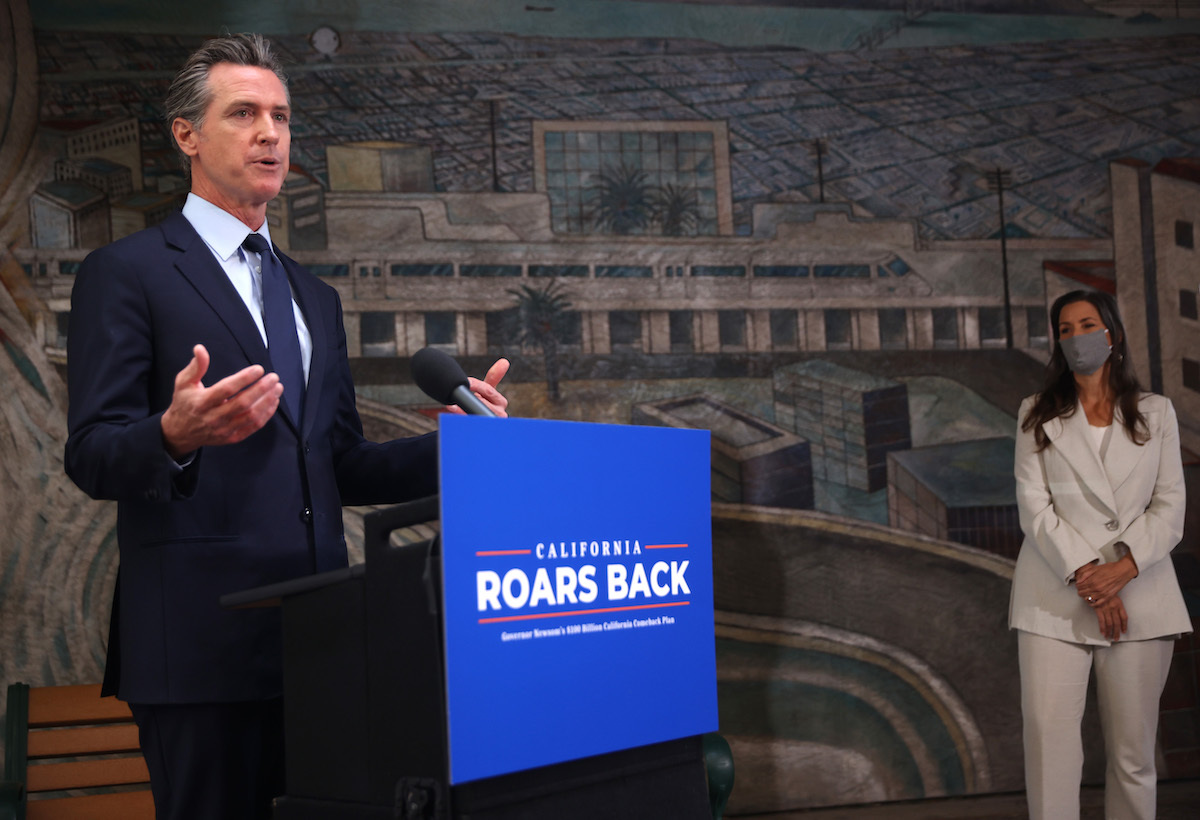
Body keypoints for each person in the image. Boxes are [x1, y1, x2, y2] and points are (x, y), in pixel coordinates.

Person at [63, 33, 508, 819]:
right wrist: (174, 433)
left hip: (324, 645)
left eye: (281, 115)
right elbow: (93, 455)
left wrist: (457, 451)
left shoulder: (313, 298)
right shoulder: (126, 272)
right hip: (199, 651)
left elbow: (337, 463)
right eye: (244, 113)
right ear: (187, 135)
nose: (271, 133)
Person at [1010, 289, 1188, 820]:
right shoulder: (1034, 414)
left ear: (1111, 333)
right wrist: (1091, 578)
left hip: (1143, 595)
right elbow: (1034, 508)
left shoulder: (1157, 413)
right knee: (1049, 756)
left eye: (1085, 324)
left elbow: (1171, 505)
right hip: (1054, 598)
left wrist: (1123, 570)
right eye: (1064, 330)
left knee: (1133, 759)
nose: (1076, 337)